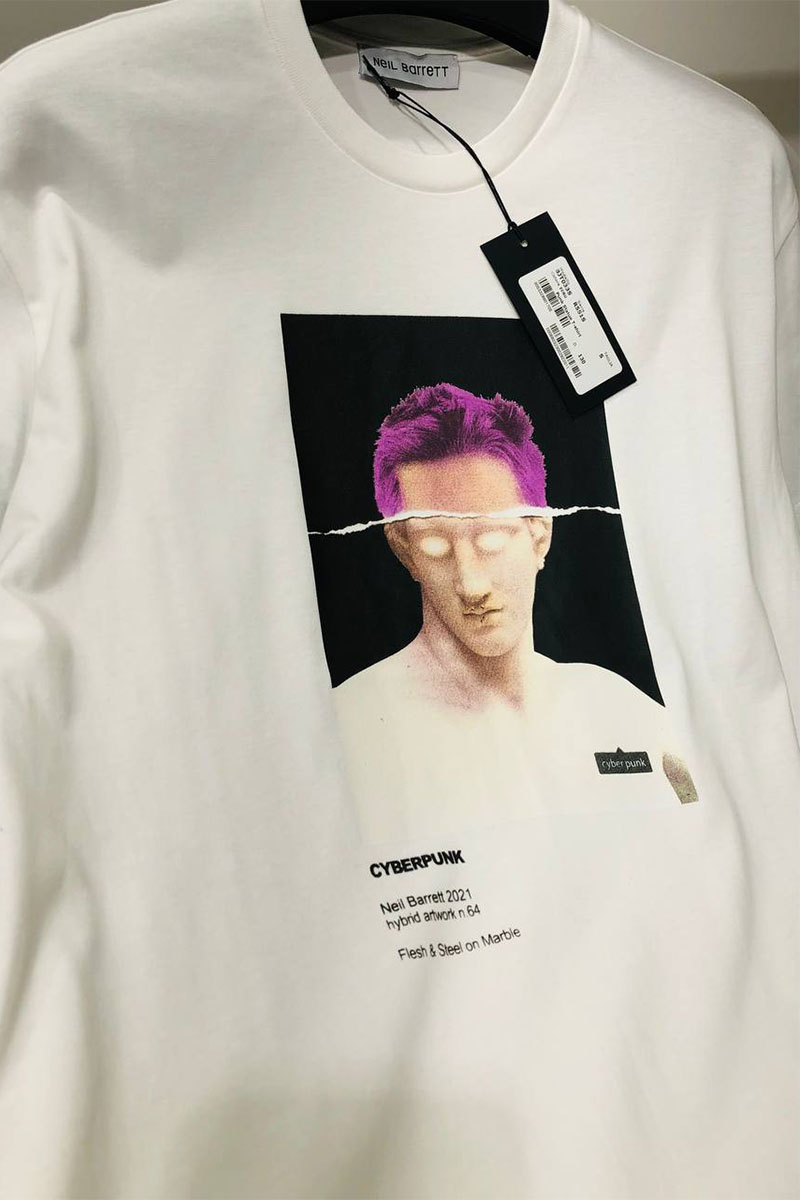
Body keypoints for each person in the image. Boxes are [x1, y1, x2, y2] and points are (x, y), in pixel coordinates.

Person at [332, 382, 699, 844]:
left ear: (540, 534)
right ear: (403, 550)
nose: (471, 585)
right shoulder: (352, 727)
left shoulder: (626, 713)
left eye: (491, 541)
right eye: (435, 546)